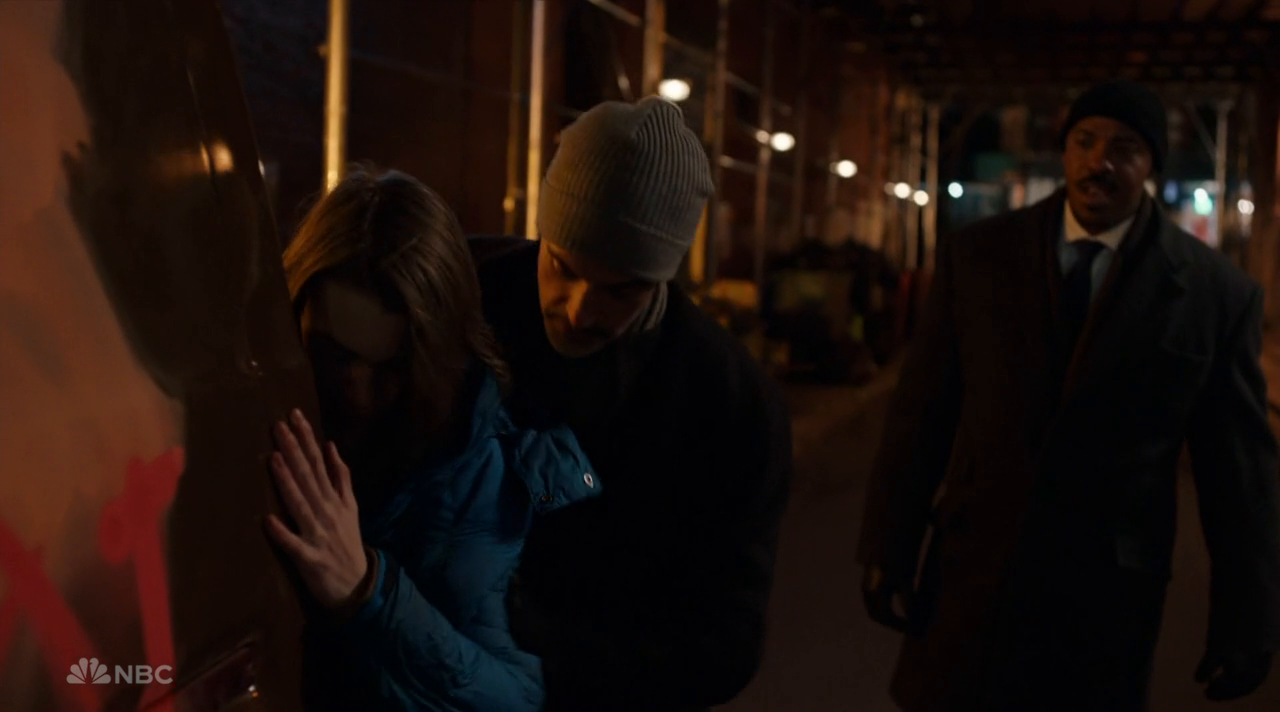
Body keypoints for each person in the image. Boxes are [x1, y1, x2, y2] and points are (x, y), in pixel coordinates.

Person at [857, 79, 1280, 711]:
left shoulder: (1215, 294)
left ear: (1151, 165)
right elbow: (921, 414)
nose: (1098, 162)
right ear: (1065, 150)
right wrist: (888, 544)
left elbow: (1239, 473)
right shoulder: (978, 257)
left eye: (1124, 148)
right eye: (1085, 141)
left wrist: (1248, 617)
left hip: (1105, 600)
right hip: (977, 571)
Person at [469, 96, 793, 711]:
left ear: (663, 277)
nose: (580, 310)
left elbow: (725, 643)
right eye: (563, 267)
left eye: (622, 291)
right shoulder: (460, 296)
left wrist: (541, 648)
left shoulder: (728, 401)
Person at [263, 167, 602, 711]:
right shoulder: (258, 409)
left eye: (390, 368)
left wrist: (368, 592)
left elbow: (518, 699)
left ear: (437, 351)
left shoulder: (487, 478)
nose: (357, 392)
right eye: (333, 354)